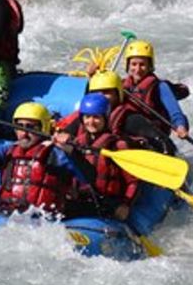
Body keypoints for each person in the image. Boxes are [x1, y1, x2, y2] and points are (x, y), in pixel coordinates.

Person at [0, 99, 87, 218]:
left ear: (43, 128)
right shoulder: (8, 150)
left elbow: (85, 178)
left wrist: (72, 152)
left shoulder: (56, 153)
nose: (24, 132)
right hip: (8, 218)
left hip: (44, 223)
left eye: (30, 127)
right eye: (19, 126)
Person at [55, 93, 139, 221]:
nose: (91, 122)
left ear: (105, 118)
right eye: (87, 117)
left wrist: (126, 205)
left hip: (109, 203)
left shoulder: (117, 146)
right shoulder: (77, 143)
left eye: (96, 117)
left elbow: (133, 181)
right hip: (82, 200)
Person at [56, 71, 175, 154]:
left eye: (107, 92)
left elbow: (165, 144)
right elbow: (64, 134)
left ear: (118, 95)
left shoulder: (131, 120)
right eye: (97, 92)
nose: (101, 97)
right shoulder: (85, 119)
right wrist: (64, 137)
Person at [120, 40, 190, 139]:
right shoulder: (121, 85)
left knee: (134, 120)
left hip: (154, 137)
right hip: (129, 134)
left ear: (150, 66)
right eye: (134, 64)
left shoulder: (160, 86)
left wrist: (180, 126)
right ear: (128, 66)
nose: (138, 69)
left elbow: (175, 111)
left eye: (142, 64)